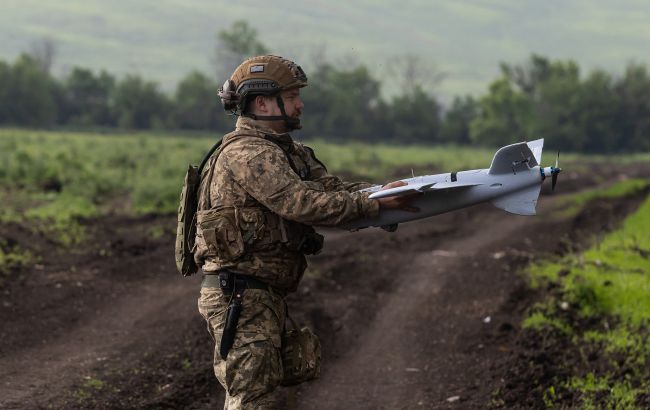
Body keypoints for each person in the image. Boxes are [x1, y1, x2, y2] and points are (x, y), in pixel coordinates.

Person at [195, 55, 415, 409]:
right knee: (252, 398)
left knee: (261, 391)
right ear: (262, 102)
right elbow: (301, 203)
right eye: (292, 95)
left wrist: (384, 193)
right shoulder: (250, 154)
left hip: (259, 293)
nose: (300, 104)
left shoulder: (286, 151)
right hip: (240, 294)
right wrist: (374, 206)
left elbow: (330, 190)